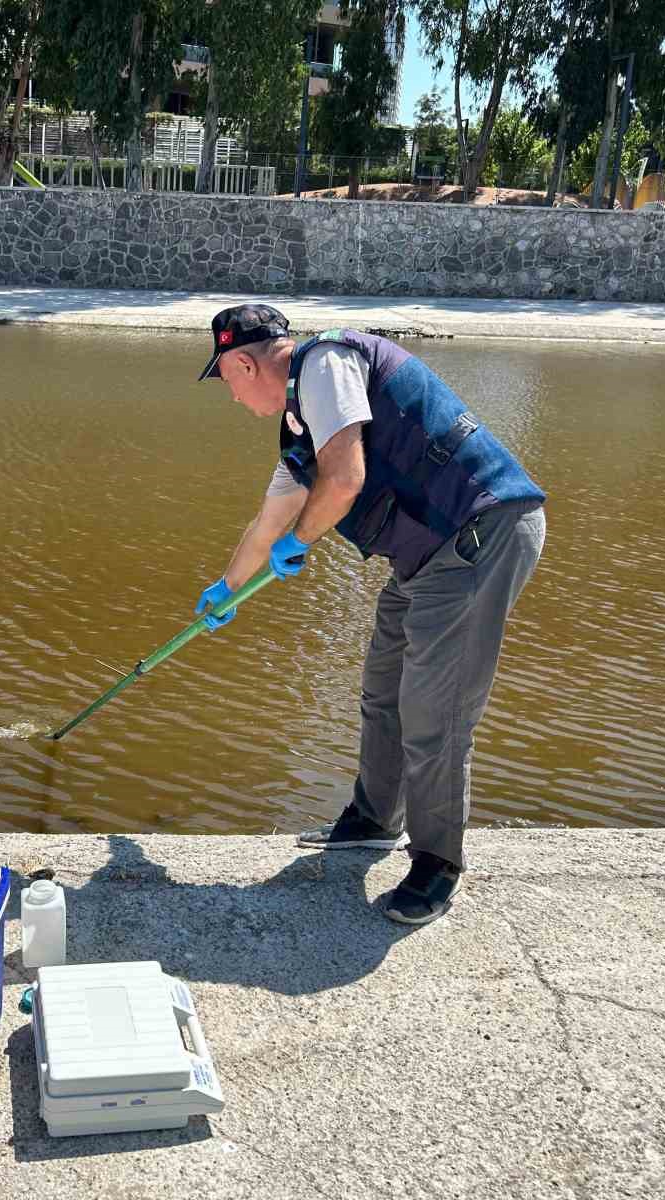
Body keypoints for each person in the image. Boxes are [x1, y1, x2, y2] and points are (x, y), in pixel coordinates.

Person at [195, 304, 546, 926]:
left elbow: (347, 480)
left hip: (479, 537)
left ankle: (438, 864)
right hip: (428, 556)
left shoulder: (326, 363)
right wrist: (226, 588)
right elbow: (267, 521)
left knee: (435, 711)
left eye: (225, 380)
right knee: (383, 687)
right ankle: (373, 819)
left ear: (245, 363)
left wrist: (301, 541)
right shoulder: (303, 429)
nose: (230, 397)